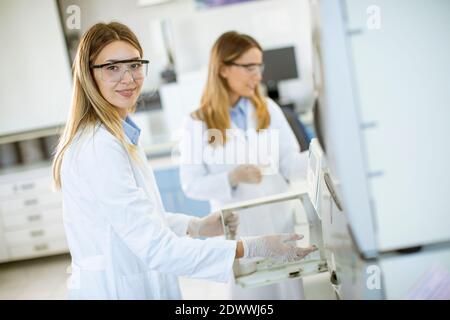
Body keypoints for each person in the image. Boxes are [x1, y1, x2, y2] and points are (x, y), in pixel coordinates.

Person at [51, 22, 316, 300]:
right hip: (119, 288)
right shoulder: (100, 148)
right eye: (112, 68)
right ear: (88, 75)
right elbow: (156, 246)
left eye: (134, 65)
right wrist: (252, 247)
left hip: (274, 223)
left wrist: (195, 226)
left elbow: (141, 220)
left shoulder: (119, 135)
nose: (128, 78)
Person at [179, 31, 310, 299]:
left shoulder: (268, 109)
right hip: (238, 235)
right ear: (224, 69)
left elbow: (290, 165)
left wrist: (321, 156)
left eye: (259, 67)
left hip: (279, 224)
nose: (258, 75)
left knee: (289, 294)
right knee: (251, 298)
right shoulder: (196, 123)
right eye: (249, 67)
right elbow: (191, 184)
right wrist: (231, 178)